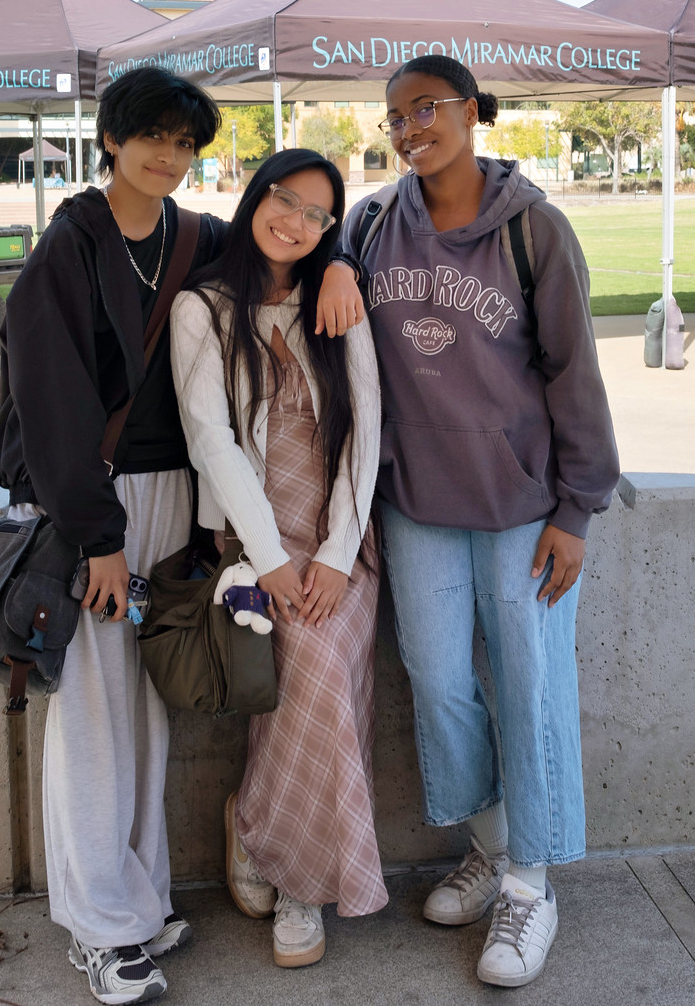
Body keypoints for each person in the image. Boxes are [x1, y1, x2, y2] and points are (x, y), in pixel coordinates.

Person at [0, 68, 362, 1005]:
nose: (167, 155)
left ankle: (139, 905)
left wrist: (344, 257)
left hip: (173, 503)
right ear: (110, 138)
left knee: (147, 710)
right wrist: (98, 535)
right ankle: (99, 929)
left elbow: (295, 228)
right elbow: (53, 406)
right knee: (92, 717)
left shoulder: (196, 238)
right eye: (150, 135)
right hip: (91, 509)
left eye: (185, 144)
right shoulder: (66, 249)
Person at [336, 55, 620, 989]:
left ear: (471, 113)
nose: (410, 127)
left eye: (427, 108)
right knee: (438, 680)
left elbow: (576, 376)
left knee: (531, 686)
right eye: (395, 116)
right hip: (416, 502)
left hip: (522, 506)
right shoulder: (373, 225)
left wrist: (576, 509)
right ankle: (494, 846)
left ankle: (533, 885)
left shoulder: (532, 228)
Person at [169, 149, 386, 969]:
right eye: (283, 201)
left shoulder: (338, 299)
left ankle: (275, 848)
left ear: (332, 227)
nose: (295, 223)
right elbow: (211, 441)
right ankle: (286, 860)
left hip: (342, 541)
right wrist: (268, 559)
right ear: (255, 196)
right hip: (250, 545)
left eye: (318, 215)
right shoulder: (208, 306)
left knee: (326, 661)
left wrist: (332, 557)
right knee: (304, 660)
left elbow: (366, 427)